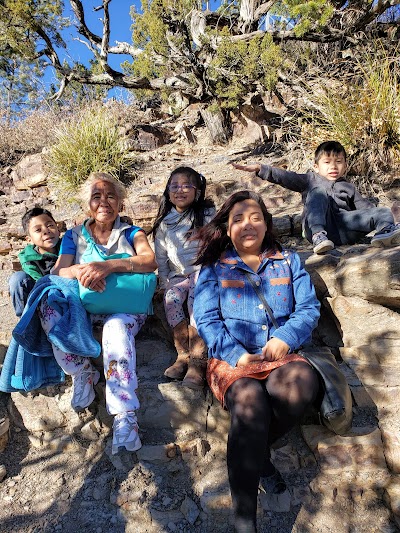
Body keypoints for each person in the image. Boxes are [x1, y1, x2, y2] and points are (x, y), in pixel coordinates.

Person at [193, 191, 320, 532]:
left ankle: (257, 455)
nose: (247, 224)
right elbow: (206, 320)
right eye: (237, 219)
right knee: (250, 402)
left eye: (255, 217)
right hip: (231, 358)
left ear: (266, 223)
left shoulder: (288, 260)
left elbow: (308, 308)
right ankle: (243, 521)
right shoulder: (213, 268)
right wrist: (236, 354)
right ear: (227, 227)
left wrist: (285, 338)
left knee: (302, 385)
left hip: (281, 355)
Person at [42, 172, 157, 454]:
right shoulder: (73, 236)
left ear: (120, 204)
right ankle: (82, 372)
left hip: (125, 307)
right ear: (87, 205)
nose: (104, 202)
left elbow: (149, 260)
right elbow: (59, 271)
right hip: (87, 305)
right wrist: (82, 271)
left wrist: (108, 266)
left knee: (114, 329)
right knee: (47, 306)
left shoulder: (132, 232)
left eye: (111, 196)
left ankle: (125, 417)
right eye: (97, 196)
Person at [233, 141, 400, 254]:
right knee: (318, 192)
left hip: (344, 228)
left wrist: (387, 216)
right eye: (327, 162)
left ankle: (385, 233)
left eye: (339, 161)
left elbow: (366, 210)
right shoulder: (310, 179)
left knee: (382, 211)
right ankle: (319, 236)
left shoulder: (349, 187)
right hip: (318, 226)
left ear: (346, 166)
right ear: (316, 166)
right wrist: (261, 169)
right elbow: (285, 177)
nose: (333, 166)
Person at [149, 167, 215, 388]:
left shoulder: (206, 215)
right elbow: (161, 255)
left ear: (197, 192)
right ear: (168, 192)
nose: (180, 190)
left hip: (203, 272)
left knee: (196, 298)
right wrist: (164, 281)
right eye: (174, 186)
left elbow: (217, 244)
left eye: (186, 185)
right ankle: (183, 354)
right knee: (172, 299)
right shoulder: (165, 222)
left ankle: (198, 359)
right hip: (179, 275)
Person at [9, 207, 61, 317]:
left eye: (50, 225)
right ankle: (27, 325)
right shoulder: (29, 259)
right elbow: (40, 284)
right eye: (38, 230)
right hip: (41, 298)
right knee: (17, 279)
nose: (46, 231)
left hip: (69, 295)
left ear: (58, 228)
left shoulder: (69, 247)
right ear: (29, 239)